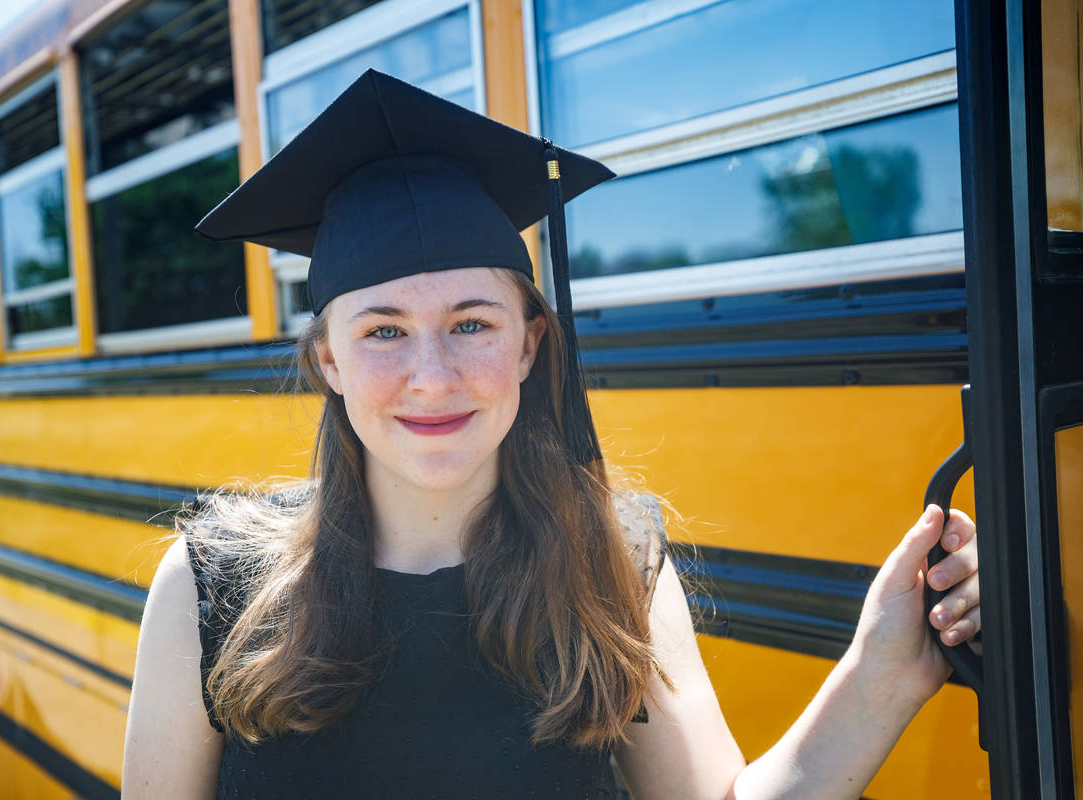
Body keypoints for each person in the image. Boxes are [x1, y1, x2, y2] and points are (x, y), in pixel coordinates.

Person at [121, 70, 981, 799]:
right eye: (382, 331)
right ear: (329, 363)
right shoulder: (213, 585)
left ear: (531, 343)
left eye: (472, 323)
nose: (432, 374)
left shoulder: (611, 563)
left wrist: (883, 672)